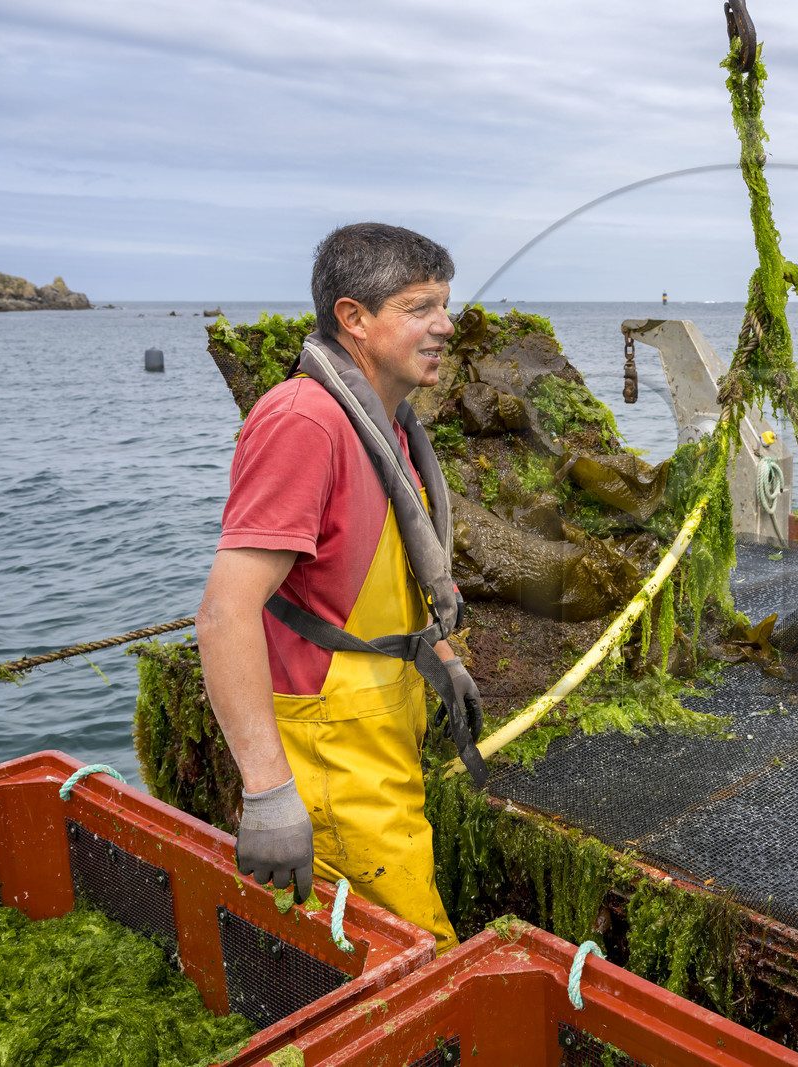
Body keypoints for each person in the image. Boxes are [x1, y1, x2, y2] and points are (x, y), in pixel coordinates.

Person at [196, 223, 487, 954]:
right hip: (330, 751)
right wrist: (267, 792)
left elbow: (380, 565)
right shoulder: (305, 421)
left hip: (382, 726)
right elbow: (225, 612)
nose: (445, 325)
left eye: (444, 305)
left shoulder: (380, 419)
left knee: (389, 951)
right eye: (420, 308)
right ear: (354, 317)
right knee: (412, 958)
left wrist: (444, 658)